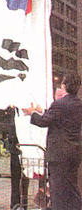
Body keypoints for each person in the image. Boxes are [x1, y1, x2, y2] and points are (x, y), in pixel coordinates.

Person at [22, 71, 82, 210]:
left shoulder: (59, 104)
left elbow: (44, 121)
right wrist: (42, 110)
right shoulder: (78, 104)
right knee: (72, 187)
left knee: (57, 190)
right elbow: (59, 117)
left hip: (59, 154)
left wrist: (32, 113)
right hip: (74, 153)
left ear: (64, 85)